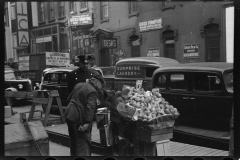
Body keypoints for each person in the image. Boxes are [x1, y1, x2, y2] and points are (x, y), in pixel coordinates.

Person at [64, 72, 106, 156]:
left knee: (74, 143)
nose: (101, 88)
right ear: (97, 82)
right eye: (101, 85)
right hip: (78, 118)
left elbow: (69, 98)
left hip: (69, 115)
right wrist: (87, 123)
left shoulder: (79, 85)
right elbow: (90, 108)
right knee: (82, 144)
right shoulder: (92, 91)